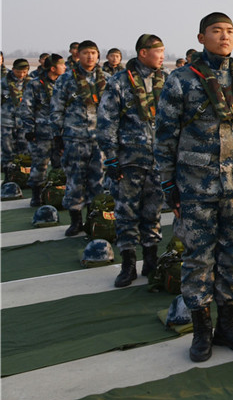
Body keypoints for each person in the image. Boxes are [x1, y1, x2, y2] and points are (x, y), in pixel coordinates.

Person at [154, 12, 233, 362]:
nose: (225, 36)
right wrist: (168, 183)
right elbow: (165, 135)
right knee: (198, 258)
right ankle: (202, 330)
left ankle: (227, 325)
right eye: (217, 31)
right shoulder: (182, 80)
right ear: (201, 38)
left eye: (230, 31)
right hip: (196, 186)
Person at [96, 34, 167, 287]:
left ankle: (151, 261)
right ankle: (128, 265)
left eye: (163, 51)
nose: (162, 56)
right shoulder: (119, 82)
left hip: (157, 161)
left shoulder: (166, 81)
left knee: (153, 212)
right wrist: (111, 158)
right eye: (158, 51)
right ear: (143, 53)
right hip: (129, 162)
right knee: (126, 213)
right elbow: (106, 121)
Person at [50, 41, 109, 236]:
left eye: (93, 53)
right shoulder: (66, 79)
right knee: (75, 180)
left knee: (98, 181)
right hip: (74, 138)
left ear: (98, 55)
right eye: (85, 53)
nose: (90, 57)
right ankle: (76, 220)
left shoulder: (107, 80)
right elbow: (57, 108)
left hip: (99, 140)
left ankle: (94, 219)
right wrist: (57, 135)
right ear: (78, 55)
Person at [18, 54, 65, 206]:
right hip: (41, 133)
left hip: (61, 133)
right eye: (62, 65)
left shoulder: (65, 83)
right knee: (39, 165)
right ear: (53, 68)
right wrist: (29, 129)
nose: (65, 67)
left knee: (61, 165)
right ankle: (36, 195)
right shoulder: (35, 84)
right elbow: (26, 108)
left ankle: (58, 194)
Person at [2, 58, 31, 172]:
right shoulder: (3, 82)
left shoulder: (31, 83)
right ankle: (8, 173)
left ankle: (22, 175)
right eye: (19, 72)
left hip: (24, 123)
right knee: (7, 150)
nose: (21, 75)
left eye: (24, 72)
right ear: (13, 69)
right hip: (7, 122)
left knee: (24, 150)